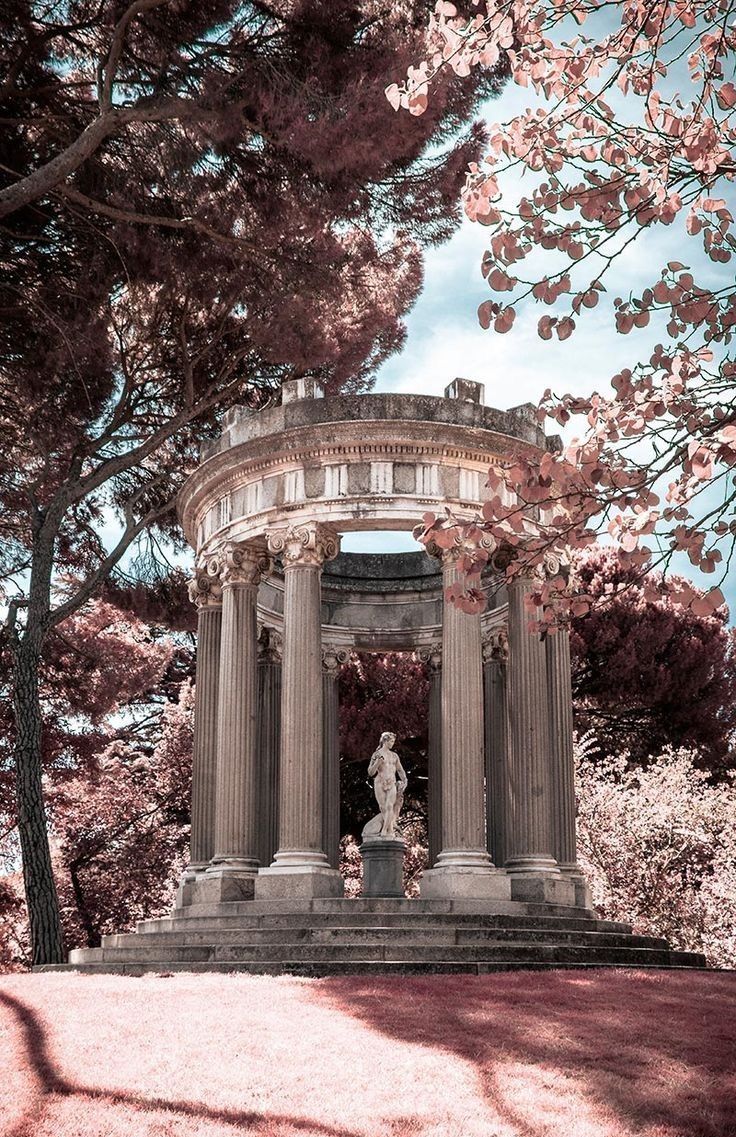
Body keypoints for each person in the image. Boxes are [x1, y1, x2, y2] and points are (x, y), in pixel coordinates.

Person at [366, 731, 408, 839]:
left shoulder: (394, 756)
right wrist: (377, 763)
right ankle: (390, 829)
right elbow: (370, 772)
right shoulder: (377, 754)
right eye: (391, 741)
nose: (392, 744)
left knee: (390, 806)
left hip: (391, 782)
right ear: (385, 741)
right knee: (383, 807)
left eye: (393, 741)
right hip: (379, 782)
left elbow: (400, 770)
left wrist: (405, 780)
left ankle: (385, 830)